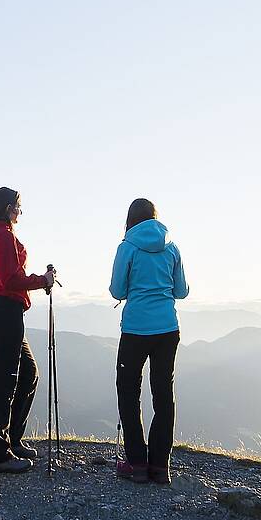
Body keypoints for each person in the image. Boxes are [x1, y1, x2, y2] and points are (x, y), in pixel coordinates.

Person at [108, 198, 189, 485]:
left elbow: (117, 289)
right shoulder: (172, 247)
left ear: (130, 220)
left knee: (129, 392)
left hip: (135, 330)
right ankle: (159, 466)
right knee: (163, 395)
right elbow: (181, 291)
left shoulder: (127, 247)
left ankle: (136, 464)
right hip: (167, 330)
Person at [0, 186, 55, 473]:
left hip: (3, 310)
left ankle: (9, 440)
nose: (20, 212)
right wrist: (43, 281)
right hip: (7, 310)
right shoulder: (3, 235)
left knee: (24, 373)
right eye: (18, 207)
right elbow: (12, 279)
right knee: (5, 380)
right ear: (8, 208)